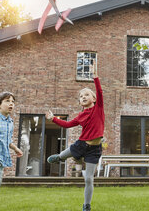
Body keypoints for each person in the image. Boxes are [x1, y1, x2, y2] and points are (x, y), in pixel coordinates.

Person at [46, 61, 104, 211]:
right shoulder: (80, 116)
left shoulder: (98, 108)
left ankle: (86, 205)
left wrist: (95, 76)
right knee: (63, 155)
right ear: (79, 102)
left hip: (94, 149)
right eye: (81, 96)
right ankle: (59, 157)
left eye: (87, 95)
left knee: (89, 179)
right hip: (81, 144)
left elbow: (99, 91)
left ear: (94, 99)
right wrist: (53, 118)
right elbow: (67, 124)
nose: (83, 97)